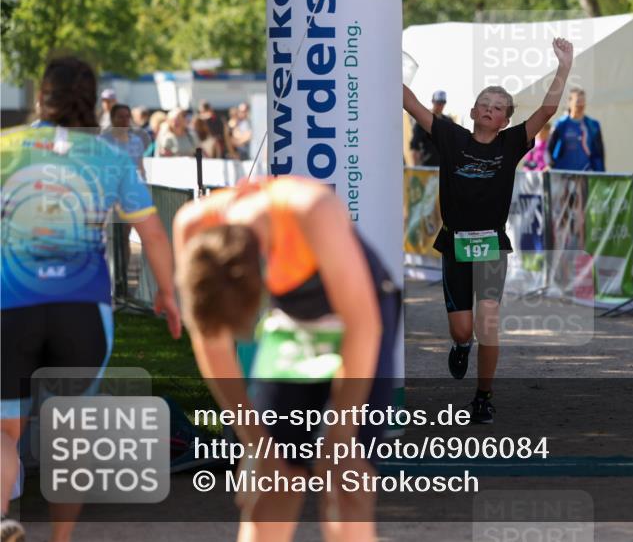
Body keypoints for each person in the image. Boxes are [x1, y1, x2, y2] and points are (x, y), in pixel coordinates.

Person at [1, 57, 181, 542]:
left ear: (42, 95)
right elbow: (155, 236)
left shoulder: (6, 148)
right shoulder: (110, 158)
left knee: (6, 431)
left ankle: (2, 518)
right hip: (82, 310)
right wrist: (166, 292)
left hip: (10, 305)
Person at [173, 176, 398, 542]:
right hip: (294, 323)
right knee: (270, 486)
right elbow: (210, 342)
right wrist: (255, 443)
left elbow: (362, 325)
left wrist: (339, 436)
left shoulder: (311, 208)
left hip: (361, 319)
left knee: (346, 484)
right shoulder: (192, 224)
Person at [402, 37, 574, 423]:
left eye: (498, 107)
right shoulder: (451, 137)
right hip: (455, 242)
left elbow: (548, 109)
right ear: (473, 109)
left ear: (505, 120)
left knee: (489, 321)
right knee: (464, 330)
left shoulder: (512, 143)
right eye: (484, 103)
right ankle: (460, 346)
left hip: (491, 243)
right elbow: (409, 101)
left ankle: (483, 396)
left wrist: (564, 66)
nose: (489, 109)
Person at [547, 88, 605, 171]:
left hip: (585, 173)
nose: (581, 105)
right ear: (570, 103)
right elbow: (548, 149)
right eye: (578, 101)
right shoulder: (560, 124)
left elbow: (599, 152)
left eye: (583, 101)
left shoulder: (593, 125)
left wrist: (600, 172)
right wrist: (550, 164)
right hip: (563, 174)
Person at [101, 103, 150, 178]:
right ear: (112, 118)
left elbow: (141, 168)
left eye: (127, 116)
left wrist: (144, 185)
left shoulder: (136, 141)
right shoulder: (103, 140)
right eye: (120, 117)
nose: (125, 120)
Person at [409, 90, 453, 167]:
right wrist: (418, 168)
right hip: (427, 167)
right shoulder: (423, 120)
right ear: (433, 101)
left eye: (443, 103)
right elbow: (415, 146)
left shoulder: (448, 121)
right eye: (438, 102)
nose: (440, 105)